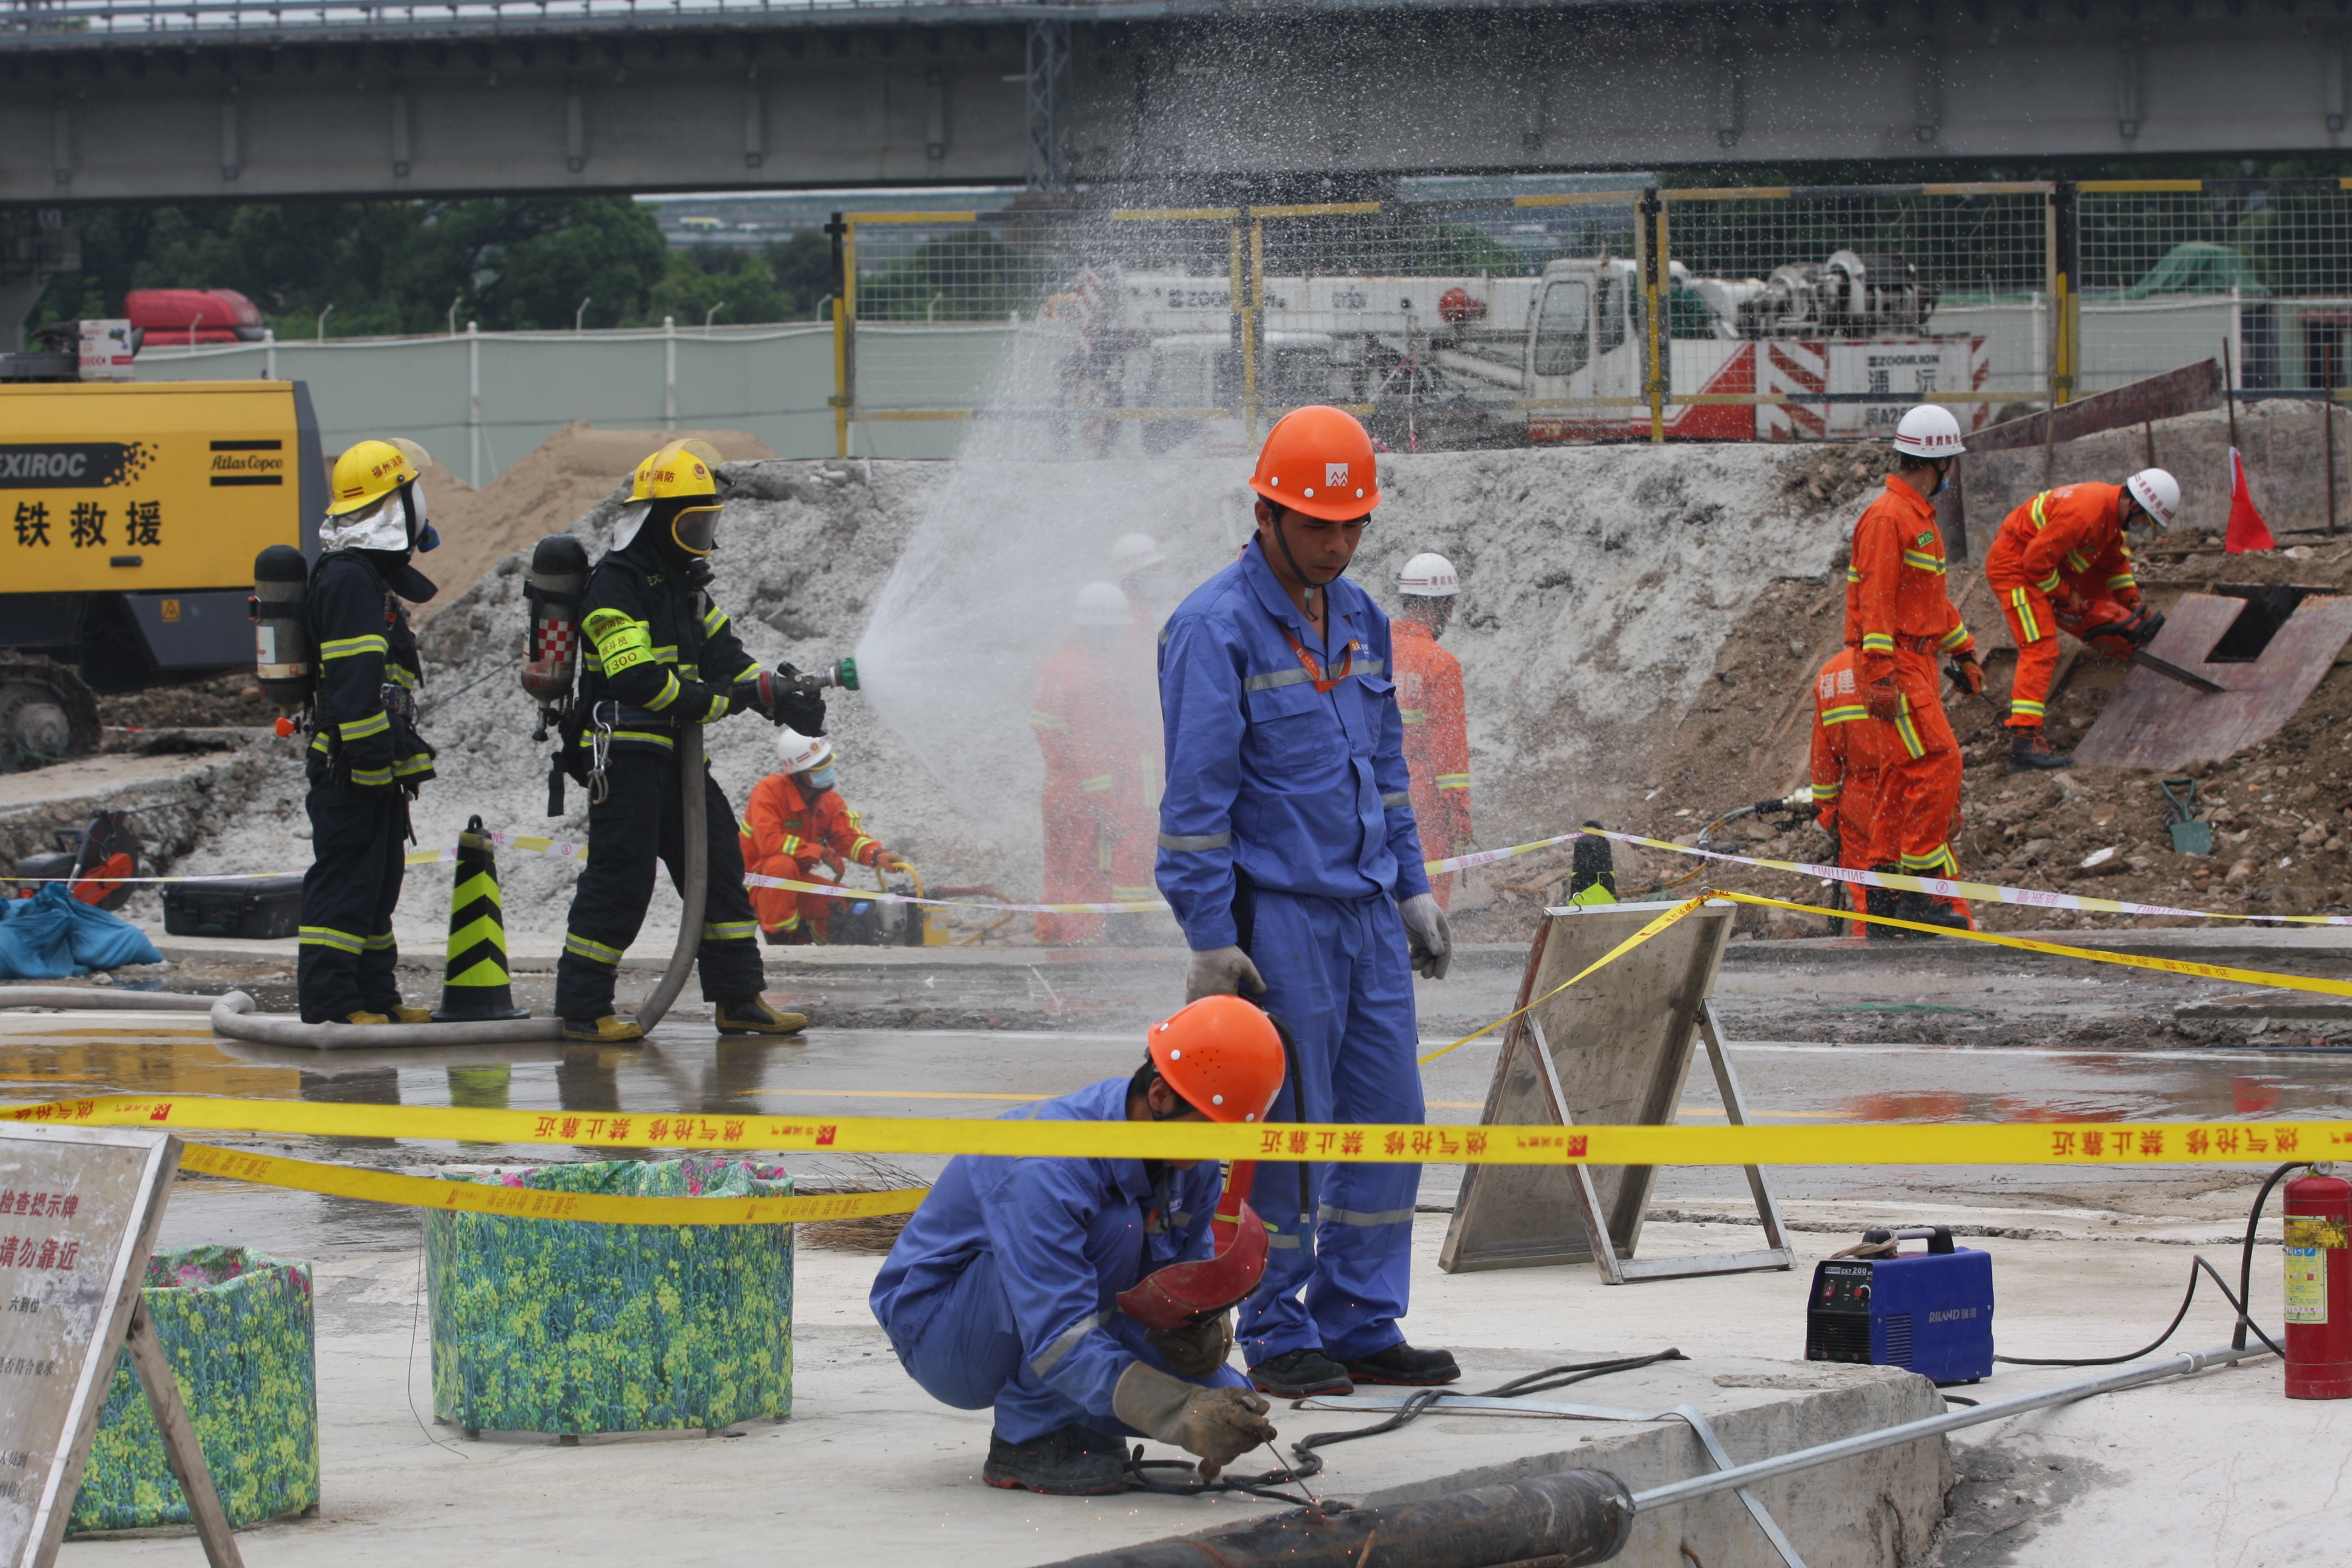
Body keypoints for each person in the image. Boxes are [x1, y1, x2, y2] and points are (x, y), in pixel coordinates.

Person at [1155, 404, 1459, 1399]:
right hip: (1274, 918)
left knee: (1387, 1122)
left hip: (1366, 915)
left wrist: (1412, 888)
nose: (1334, 543)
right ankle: (1276, 1322)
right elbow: (1195, 805)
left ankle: (1360, 1318)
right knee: (1285, 1138)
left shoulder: (1365, 618)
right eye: (1314, 523)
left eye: (1350, 525)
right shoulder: (1213, 628)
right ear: (1265, 511)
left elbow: (1385, 770)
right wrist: (1209, 938)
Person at [871, 996, 1287, 1496]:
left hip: (1048, 1322)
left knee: (1228, 1403)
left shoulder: (1186, 1165)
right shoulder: (1049, 1168)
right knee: (1116, 1229)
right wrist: (1174, 1411)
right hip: (947, 1335)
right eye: (1214, 1133)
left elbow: (1182, 1283)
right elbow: (1057, 1333)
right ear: (1160, 1096)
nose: (1221, 1151)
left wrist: (1201, 1336)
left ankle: (1073, 1417)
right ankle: (1029, 1438)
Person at [552, 440, 820, 1043]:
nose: (703, 535)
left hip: (675, 759)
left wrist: (782, 694)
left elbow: (730, 659)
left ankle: (738, 999)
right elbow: (638, 679)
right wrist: (723, 701)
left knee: (720, 863)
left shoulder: (687, 590)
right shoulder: (614, 586)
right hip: (623, 757)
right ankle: (582, 1007)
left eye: (708, 522)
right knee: (622, 877)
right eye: (692, 523)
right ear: (656, 523)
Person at [297, 437, 443, 1024]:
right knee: (347, 882)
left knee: (378, 885)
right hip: (352, 765)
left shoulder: (366, 578)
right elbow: (356, 685)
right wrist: (370, 760)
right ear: (393, 508)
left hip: (372, 764)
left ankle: (376, 997)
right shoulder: (349, 580)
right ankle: (333, 1004)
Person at [1842, 405, 1981, 932]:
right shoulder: (1888, 518)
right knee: (1939, 762)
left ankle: (1883, 892)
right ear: (1939, 462)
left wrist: (1963, 650)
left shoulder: (1917, 518)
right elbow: (1875, 603)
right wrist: (1879, 674)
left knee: (1902, 776)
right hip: (1895, 661)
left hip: (1916, 658)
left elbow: (1930, 601)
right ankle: (1921, 895)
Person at [1984, 469, 2181, 771]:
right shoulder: (2085, 514)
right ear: (2137, 505)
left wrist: (2131, 605)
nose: (2143, 527)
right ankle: (2024, 742)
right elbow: (2035, 565)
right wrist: (2067, 600)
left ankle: (2122, 642)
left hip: (2049, 562)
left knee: (2102, 608)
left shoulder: (2110, 517)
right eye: (2147, 520)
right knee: (2041, 648)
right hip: (2016, 567)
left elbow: (2114, 565)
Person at [1808, 647, 1970, 938]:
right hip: (1910, 789)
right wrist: (1950, 805)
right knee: (1936, 894)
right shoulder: (1904, 662)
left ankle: (1875, 974)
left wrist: (1831, 813)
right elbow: (1933, 744)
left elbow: (1824, 760)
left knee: (1871, 904)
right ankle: (1959, 972)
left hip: (1858, 802)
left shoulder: (1829, 675)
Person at [1033, 582, 1159, 944]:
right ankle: (1081, 946)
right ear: (1101, 631)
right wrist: (1109, 808)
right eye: (1116, 631)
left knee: (1056, 869)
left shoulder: (1055, 664)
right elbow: (1091, 752)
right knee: (1087, 874)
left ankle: (1051, 936)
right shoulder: (1089, 677)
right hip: (1084, 791)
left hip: (1056, 784)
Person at [740, 728, 908, 944]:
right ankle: (780, 941)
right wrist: (818, 851)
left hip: (793, 883)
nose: (828, 770)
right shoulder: (769, 792)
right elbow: (770, 844)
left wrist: (877, 855)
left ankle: (810, 942)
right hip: (754, 883)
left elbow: (847, 837)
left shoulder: (828, 800)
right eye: (819, 768)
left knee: (844, 904)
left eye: (828, 762)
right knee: (780, 865)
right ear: (798, 773)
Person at [1390, 552, 1471, 909]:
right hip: (1421, 795)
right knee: (1425, 888)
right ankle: (1420, 951)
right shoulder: (1440, 664)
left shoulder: (1369, 648)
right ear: (1442, 607)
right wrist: (1460, 811)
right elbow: (1448, 748)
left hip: (1368, 786)